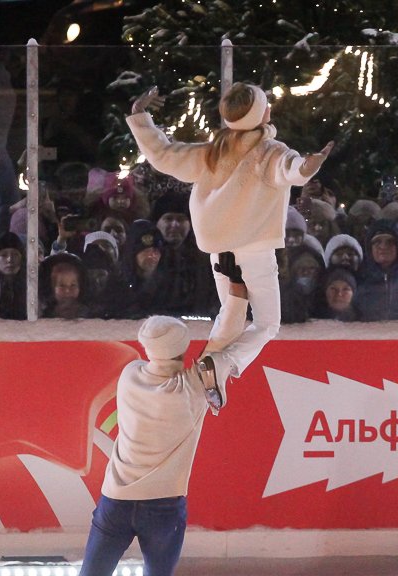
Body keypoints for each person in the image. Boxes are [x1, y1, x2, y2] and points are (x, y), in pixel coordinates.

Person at [126, 82, 333, 401]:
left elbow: (166, 155)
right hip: (254, 250)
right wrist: (305, 168)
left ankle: (208, 377)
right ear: (259, 113)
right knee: (266, 324)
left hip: (220, 250)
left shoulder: (214, 150)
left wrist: (141, 118)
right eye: (265, 105)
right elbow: (289, 170)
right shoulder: (269, 152)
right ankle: (220, 363)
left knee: (232, 311)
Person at [78, 256, 249, 576]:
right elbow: (224, 337)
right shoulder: (195, 387)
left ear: (145, 345)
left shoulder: (129, 375)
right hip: (164, 508)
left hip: (115, 501)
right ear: (183, 348)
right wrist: (236, 288)